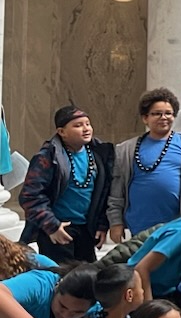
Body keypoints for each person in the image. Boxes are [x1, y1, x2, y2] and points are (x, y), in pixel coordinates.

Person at [106, 90, 181, 243]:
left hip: (179, 226)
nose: (164, 118)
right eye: (157, 114)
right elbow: (117, 191)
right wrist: (115, 222)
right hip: (138, 226)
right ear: (145, 118)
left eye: (168, 113)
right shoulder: (126, 149)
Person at [19, 106, 115, 264]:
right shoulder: (48, 156)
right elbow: (30, 196)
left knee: (87, 279)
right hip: (59, 228)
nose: (86, 129)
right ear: (61, 132)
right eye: (78, 125)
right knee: (60, 279)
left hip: (87, 229)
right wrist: (52, 226)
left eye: (88, 124)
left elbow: (105, 193)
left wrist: (102, 225)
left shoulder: (100, 154)